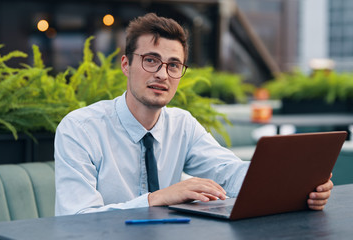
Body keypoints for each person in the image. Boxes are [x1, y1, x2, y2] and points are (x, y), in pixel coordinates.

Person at [54, 13, 333, 216]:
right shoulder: (80, 129)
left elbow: (230, 173)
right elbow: (77, 218)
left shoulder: (182, 125)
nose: (162, 74)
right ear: (126, 64)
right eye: (151, 60)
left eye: (174, 65)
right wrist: (157, 199)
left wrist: (298, 184)